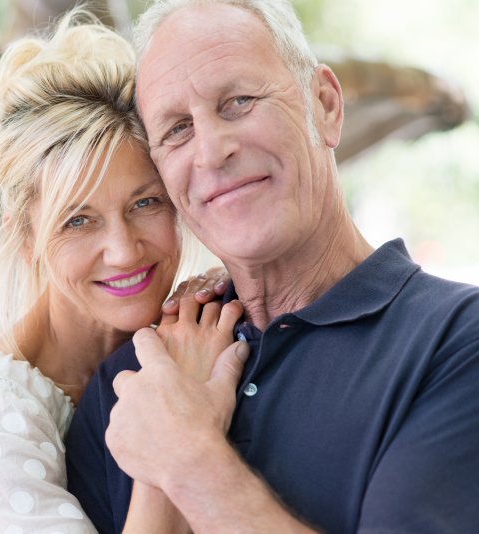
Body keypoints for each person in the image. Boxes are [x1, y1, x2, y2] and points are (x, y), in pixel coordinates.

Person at [65, 1, 479, 532]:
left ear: (325, 106)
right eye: (176, 130)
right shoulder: (135, 378)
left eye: (238, 101)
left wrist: (188, 458)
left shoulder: (456, 345)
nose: (212, 151)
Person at [0, 11, 239, 533]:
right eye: (78, 220)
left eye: (144, 203)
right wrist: (179, 430)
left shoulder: (182, 332)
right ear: (25, 238)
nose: (122, 250)